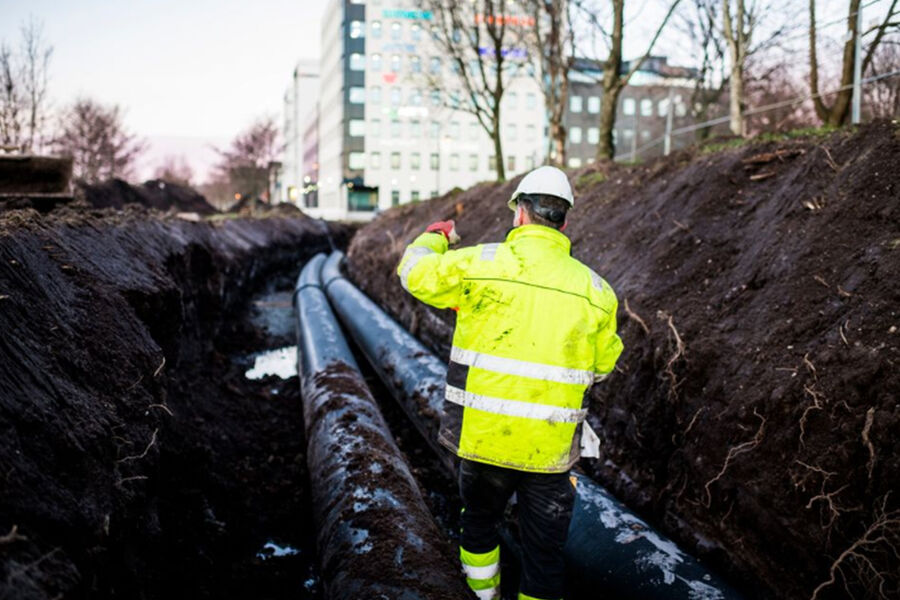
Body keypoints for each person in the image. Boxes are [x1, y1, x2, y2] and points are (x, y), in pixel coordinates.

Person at [396, 166, 623, 600]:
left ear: (520, 212)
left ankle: (484, 597)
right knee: (545, 556)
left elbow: (412, 271)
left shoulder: (478, 266)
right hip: (551, 454)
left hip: (484, 443)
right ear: (564, 220)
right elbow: (601, 368)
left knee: (479, 527)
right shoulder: (597, 292)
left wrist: (435, 236)